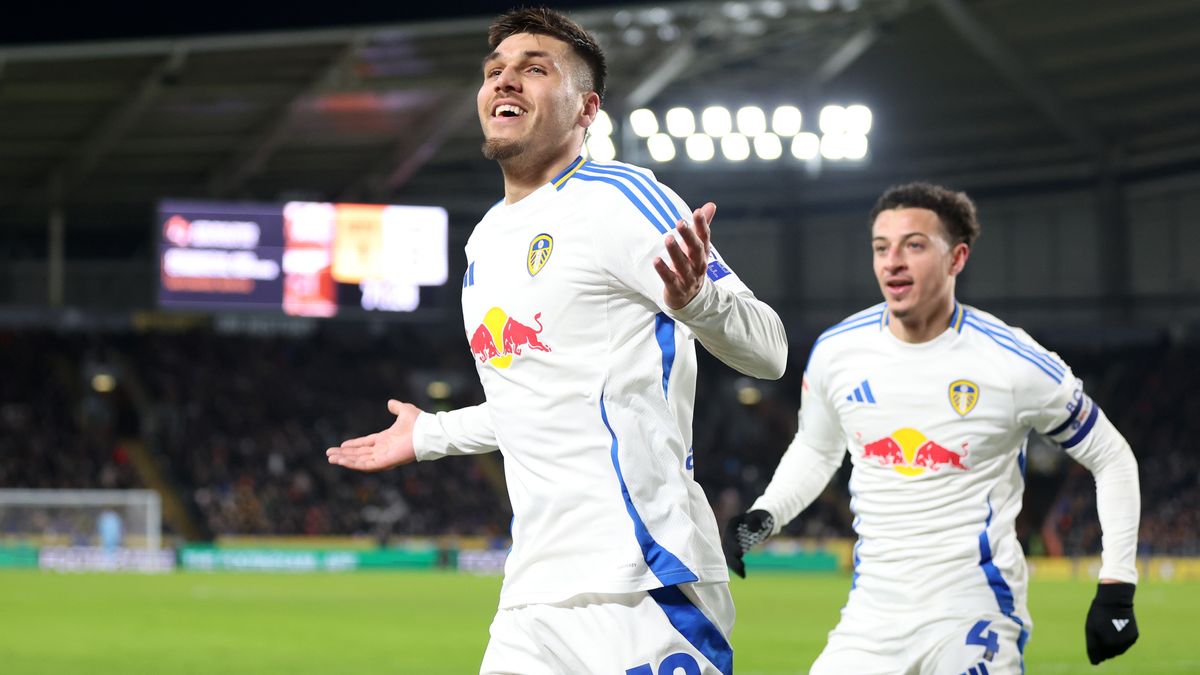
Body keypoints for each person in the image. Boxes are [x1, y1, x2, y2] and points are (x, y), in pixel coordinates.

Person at [326, 7, 787, 674]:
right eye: (494, 72)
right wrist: (430, 435)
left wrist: (699, 300)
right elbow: (545, 397)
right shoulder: (485, 239)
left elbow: (769, 349)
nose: (505, 82)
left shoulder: (621, 197)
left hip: (641, 579)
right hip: (532, 597)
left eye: (533, 70)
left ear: (586, 109)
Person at [723, 182, 1141, 673]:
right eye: (881, 248)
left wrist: (1117, 584)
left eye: (914, 245)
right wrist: (765, 515)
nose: (892, 261)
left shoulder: (1013, 363)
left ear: (957, 258)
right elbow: (817, 450)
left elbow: (1111, 457)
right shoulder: (837, 353)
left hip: (973, 609)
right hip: (871, 616)